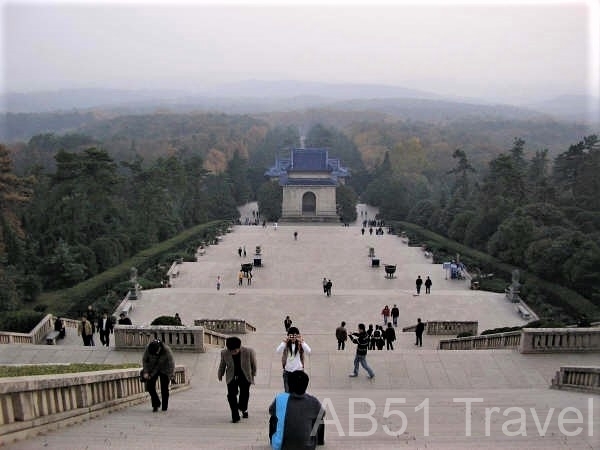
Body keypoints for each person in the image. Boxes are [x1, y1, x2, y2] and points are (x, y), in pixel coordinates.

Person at [269, 370, 324, 450]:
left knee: (273, 418)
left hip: (283, 446)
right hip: (307, 447)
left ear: (289, 385)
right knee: (319, 418)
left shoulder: (280, 399)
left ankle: (275, 441)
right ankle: (313, 440)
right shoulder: (313, 401)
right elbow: (322, 413)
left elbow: (271, 411)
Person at [218, 336, 257, 423]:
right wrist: (220, 374)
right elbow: (222, 364)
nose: (234, 352)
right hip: (231, 376)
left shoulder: (248, 351)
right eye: (232, 351)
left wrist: (254, 373)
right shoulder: (224, 353)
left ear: (239, 347)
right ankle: (235, 415)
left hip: (245, 375)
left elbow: (253, 363)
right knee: (231, 395)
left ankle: (244, 409)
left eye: (236, 350)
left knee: (244, 394)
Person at [142, 339, 175, 412]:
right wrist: (146, 372)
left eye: (155, 353)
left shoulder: (166, 350)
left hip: (165, 368)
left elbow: (171, 364)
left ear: (159, 349)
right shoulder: (149, 348)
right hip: (153, 367)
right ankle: (156, 403)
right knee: (150, 386)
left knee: (164, 388)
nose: (154, 354)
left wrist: (171, 375)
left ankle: (164, 407)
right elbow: (144, 360)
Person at [276, 327, 311, 392]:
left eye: (295, 335)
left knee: (299, 392)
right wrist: (284, 342)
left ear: (298, 335)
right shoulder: (286, 344)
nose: (293, 338)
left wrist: (302, 342)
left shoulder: (300, 344)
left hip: (298, 371)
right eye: (291, 335)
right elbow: (278, 351)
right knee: (287, 393)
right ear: (288, 335)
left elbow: (309, 351)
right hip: (287, 372)